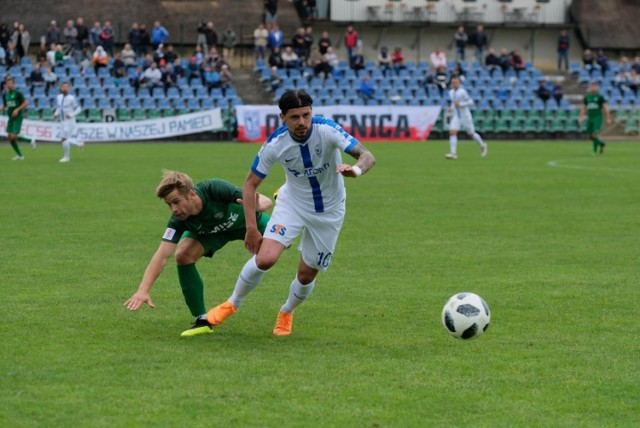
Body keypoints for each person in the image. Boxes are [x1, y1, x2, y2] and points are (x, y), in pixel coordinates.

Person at [206, 89, 376, 336]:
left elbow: (367, 155)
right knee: (265, 258)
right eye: (295, 117)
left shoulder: (327, 129)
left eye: (306, 115)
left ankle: (287, 311)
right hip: (293, 204)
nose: (302, 122)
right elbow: (250, 184)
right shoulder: (275, 144)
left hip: (329, 211)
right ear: (282, 117)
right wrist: (252, 228)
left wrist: (356, 171)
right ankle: (232, 303)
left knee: (306, 275)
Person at [124, 170, 273, 337]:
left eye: (176, 202)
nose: (173, 209)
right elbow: (162, 255)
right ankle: (202, 320)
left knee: (280, 247)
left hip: (249, 226)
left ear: (192, 194)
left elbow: (264, 201)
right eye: (169, 204)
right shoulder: (179, 220)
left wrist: (258, 205)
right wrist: (143, 290)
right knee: (183, 255)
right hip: (212, 234)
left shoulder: (215, 188)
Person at [445, 76, 487, 160]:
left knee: (471, 134)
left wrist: (461, 104)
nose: (454, 84)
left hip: (465, 116)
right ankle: (453, 153)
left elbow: (470, 101)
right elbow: (454, 103)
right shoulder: (451, 92)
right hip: (457, 115)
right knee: (452, 132)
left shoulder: (462, 92)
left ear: (459, 83)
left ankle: (483, 145)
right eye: (453, 83)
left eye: (456, 82)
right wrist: (451, 108)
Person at [1, 76, 36, 160]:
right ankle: (20, 156)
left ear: (13, 84)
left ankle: (30, 140)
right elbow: (5, 105)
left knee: (13, 136)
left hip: (18, 117)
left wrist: (17, 109)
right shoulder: (5, 94)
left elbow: (26, 103)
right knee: (9, 137)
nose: (9, 84)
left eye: (11, 83)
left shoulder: (18, 93)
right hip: (10, 118)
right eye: (8, 83)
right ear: (6, 84)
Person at [53, 82, 85, 163]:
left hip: (69, 121)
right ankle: (78, 144)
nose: (64, 88)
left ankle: (67, 156)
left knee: (64, 139)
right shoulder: (59, 97)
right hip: (62, 121)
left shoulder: (71, 98)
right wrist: (56, 114)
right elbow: (59, 108)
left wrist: (71, 114)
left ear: (69, 89)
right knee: (63, 139)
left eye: (66, 87)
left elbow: (79, 109)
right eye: (63, 87)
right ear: (61, 88)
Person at [578, 81, 613, 155]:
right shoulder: (587, 97)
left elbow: (605, 107)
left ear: (597, 88)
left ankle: (594, 151)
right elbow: (584, 108)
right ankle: (601, 143)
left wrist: (608, 118)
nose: (593, 88)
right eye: (592, 86)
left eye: (595, 86)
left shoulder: (600, 97)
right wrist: (580, 117)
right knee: (590, 136)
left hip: (597, 118)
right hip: (590, 118)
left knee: (594, 134)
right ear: (590, 88)